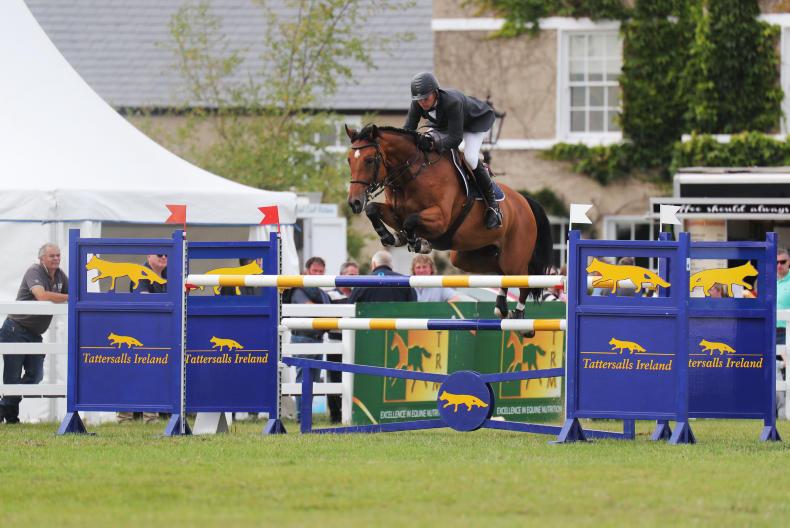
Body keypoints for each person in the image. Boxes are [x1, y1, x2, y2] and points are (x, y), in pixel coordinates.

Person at [404, 71, 502, 230]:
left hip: (473, 124)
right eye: (419, 100)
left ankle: (493, 207)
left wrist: (432, 145)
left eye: (425, 99)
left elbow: (456, 139)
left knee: (469, 157)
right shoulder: (418, 103)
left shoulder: (452, 102)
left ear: (435, 92)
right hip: (445, 125)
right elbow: (408, 130)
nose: (422, 103)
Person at [0, 243, 68, 424]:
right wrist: (68, 297)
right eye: (52, 256)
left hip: (34, 333)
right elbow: (42, 296)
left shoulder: (61, 275)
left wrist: (72, 296)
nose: (56, 258)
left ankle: (3, 408)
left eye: (58, 255)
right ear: (41, 258)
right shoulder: (34, 271)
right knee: (12, 378)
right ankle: (12, 418)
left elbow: (76, 292)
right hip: (15, 329)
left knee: (36, 376)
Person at [118, 253, 167, 424]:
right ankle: (124, 418)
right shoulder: (141, 273)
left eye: (167, 254)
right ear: (149, 256)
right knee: (131, 374)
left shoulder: (169, 275)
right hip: (137, 330)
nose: (164, 257)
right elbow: (145, 301)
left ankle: (151, 417)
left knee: (153, 373)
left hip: (159, 331)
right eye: (160, 254)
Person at [289, 257, 331, 423]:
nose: (318, 274)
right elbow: (311, 308)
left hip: (318, 338)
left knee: (313, 380)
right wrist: (328, 314)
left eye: (321, 271)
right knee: (303, 379)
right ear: (307, 271)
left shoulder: (320, 292)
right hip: (303, 338)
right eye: (315, 271)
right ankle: (302, 416)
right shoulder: (299, 289)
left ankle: (306, 415)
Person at [325, 260, 359, 424]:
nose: (354, 278)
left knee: (354, 379)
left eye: (356, 275)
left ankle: (352, 413)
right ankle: (335, 415)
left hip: (355, 342)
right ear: (342, 275)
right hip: (335, 341)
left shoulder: (359, 294)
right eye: (351, 274)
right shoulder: (330, 295)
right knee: (334, 379)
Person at [348, 251, 417, 303]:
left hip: (370, 321)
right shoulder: (404, 281)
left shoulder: (361, 282)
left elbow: (350, 306)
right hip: (396, 321)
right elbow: (414, 305)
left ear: (374, 264)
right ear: (390, 264)